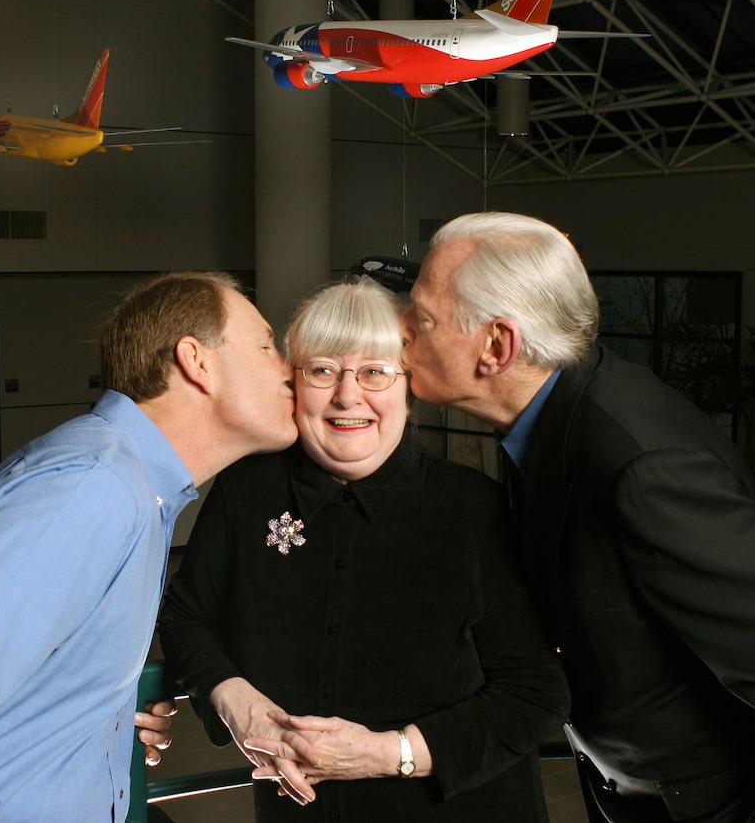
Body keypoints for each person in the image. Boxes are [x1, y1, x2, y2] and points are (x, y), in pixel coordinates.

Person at [158, 277, 570, 822]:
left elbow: (536, 693)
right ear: (293, 383)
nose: (347, 396)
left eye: (375, 372)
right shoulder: (247, 491)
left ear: (407, 385)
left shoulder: (473, 508)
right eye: (322, 370)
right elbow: (187, 615)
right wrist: (233, 699)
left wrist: (388, 753)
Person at [399, 211, 755, 823]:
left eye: (423, 318)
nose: (400, 328)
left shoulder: (642, 463)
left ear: (497, 347)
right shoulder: (547, 418)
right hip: (637, 793)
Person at [0, 271, 298, 823]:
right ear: (198, 362)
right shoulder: (94, 488)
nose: (290, 371)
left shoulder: (139, 489)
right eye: (268, 347)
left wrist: (106, 718)